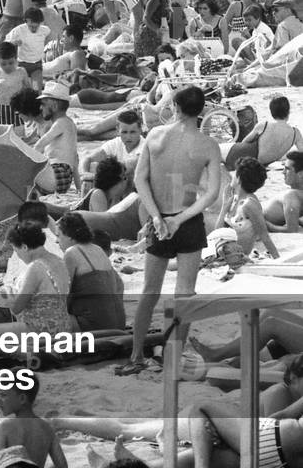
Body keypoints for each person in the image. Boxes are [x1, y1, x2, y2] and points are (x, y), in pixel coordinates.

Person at [115, 85, 221, 376]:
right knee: (184, 294)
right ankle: (173, 357)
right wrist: (179, 218)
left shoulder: (155, 136)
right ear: (202, 110)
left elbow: (140, 180)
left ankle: (137, 356)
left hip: (159, 218)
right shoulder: (208, 145)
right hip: (188, 221)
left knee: (149, 292)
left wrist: (157, 217)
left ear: (175, 106)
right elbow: (211, 194)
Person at [57, 212, 126, 332]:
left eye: (58, 236)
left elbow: (63, 296)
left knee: (42, 319)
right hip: (119, 322)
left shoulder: (71, 253)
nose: (56, 241)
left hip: (93, 325)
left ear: (69, 236)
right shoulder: (98, 249)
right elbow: (119, 285)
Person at [5, 222, 72, 333]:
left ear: (24, 247)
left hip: (43, 331)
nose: (18, 256)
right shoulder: (59, 260)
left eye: (16, 251)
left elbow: (16, 308)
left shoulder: (36, 267)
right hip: (63, 326)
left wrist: (7, 295)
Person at [0, 373, 67, 468]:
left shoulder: (5, 426)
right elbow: (62, 465)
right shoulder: (46, 428)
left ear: (22, 399)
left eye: (3, 395)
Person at [215, 156, 279, 258]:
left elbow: (264, 236)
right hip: (223, 254)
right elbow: (217, 233)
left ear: (239, 178)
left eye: (235, 173)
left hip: (238, 258)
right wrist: (224, 207)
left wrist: (278, 260)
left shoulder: (250, 204)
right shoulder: (233, 199)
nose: (232, 176)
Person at [33, 81, 80, 196]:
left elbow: (39, 145)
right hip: (64, 179)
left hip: (57, 173)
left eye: (43, 104)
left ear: (54, 106)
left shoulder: (60, 123)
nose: (40, 108)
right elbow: (74, 160)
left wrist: (26, 162)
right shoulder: (69, 124)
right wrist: (79, 187)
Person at [264, 150, 303, 233]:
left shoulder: (291, 196)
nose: (283, 172)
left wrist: (267, 225)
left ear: (300, 174)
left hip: (250, 221)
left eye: (287, 169)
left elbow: (291, 230)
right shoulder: (295, 195)